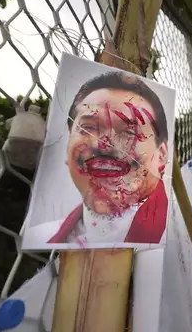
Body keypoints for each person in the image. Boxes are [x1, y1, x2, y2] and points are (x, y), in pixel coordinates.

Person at [27, 71, 170, 245]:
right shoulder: (40, 237)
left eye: (129, 131)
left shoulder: (183, 239)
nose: (104, 144)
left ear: (161, 155)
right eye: (89, 128)